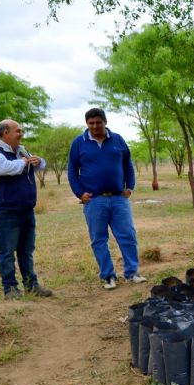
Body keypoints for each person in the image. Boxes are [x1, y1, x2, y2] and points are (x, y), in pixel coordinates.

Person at [67, 108, 146, 290]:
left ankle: (132, 273)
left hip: (119, 198)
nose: (94, 126)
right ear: (87, 124)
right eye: (91, 123)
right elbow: (72, 170)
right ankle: (108, 276)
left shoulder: (117, 139)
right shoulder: (79, 143)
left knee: (127, 235)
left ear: (105, 122)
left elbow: (128, 164)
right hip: (94, 201)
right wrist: (80, 193)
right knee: (99, 239)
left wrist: (130, 187)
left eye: (98, 122)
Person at [0, 119, 53, 299]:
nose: (21, 134)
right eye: (18, 131)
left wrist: (38, 160)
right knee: (7, 252)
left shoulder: (20, 150)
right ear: (5, 133)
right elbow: (5, 169)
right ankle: (10, 289)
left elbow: (39, 166)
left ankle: (31, 285)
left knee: (26, 250)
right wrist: (24, 161)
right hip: (5, 211)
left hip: (26, 210)